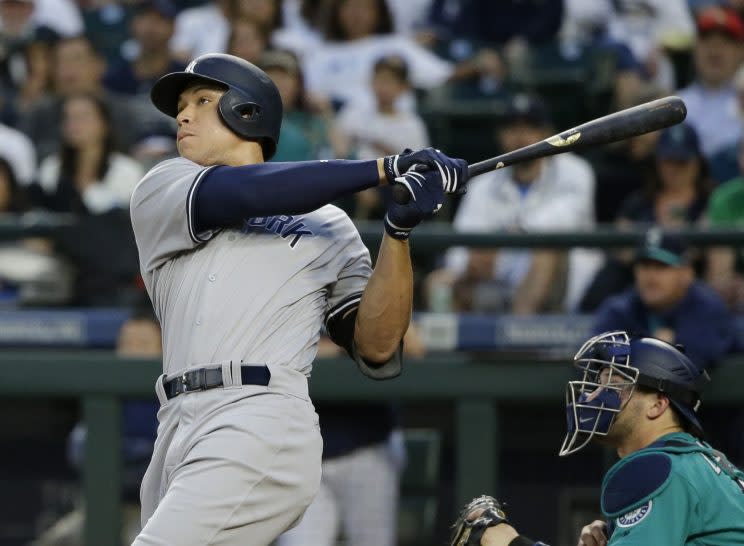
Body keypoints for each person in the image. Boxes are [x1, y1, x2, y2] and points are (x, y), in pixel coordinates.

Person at [129, 52, 468, 545]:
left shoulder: (330, 224)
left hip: (259, 416)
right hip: (177, 424)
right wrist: (384, 167)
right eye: (181, 105)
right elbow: (245, 194)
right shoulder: (164, 185)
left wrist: (397, 232)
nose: (183, 115)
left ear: (246, 112)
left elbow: (375, 345)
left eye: (202, 100)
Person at [448, 331, 744, 546]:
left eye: (615, 384)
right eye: (599, 383)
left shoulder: (660, 469)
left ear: (658, 404)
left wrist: (509, 542)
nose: (592, 396)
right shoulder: (703, 464)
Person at [427, 93, 596, 314]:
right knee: (439, 281)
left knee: (545, 250)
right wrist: (469, 266)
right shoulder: (485, 183)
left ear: (546, 133)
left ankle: (520, 337)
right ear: (501, 135)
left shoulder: (573, 170)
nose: (520, 136)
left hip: (564, 282)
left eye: (529, 127)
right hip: (501, 276)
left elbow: (562, 221)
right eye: (512, 128)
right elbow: (461, 241)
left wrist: (504, 240)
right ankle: (448, 348)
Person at [593, 227, 739, 371]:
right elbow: (594, 359)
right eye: (644, 266)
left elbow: (693, 363)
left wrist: (636, 351)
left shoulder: (708, 308)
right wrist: (658, 348)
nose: (650, 276)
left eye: (661, 267)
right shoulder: (620, 309)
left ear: (686, 273)